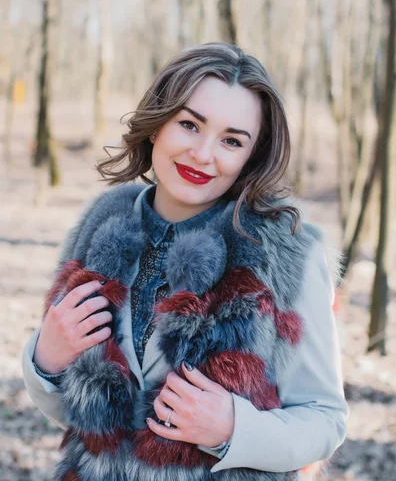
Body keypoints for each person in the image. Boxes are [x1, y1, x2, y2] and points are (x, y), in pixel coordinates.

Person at [22, 42, 348, 481]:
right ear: (157, 125)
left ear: (250, 156)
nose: (203, 154)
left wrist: (233, 429)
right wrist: (45, 359)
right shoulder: (100, 228)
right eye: (190, 125)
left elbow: (325, 418)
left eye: (232, 140)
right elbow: (73, 414)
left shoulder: (287, 253)